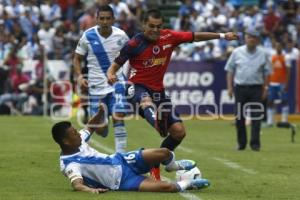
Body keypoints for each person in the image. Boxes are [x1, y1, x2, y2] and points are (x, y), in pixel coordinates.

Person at [107, 9, 239, 180]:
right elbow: (115, 65)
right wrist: (110, 74)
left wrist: (222, 36)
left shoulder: (169, 37)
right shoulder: (134, 44)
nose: (155, 30)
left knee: (178, 132)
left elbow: (195, 36)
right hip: (137, 87)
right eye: (151, 26)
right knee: (146, 102)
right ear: (143, 25)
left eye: (158, 26)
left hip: (159, 91)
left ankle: (157, 162)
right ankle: (158, 123)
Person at [51, 104, 210, 193]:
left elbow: (90, 126)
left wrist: (100, 112)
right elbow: (77, 184)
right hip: (122, 182)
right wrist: (90, 191)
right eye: (74, 134)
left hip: (123, 161)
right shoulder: (69, 164)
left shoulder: (78, 140)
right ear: (65, 142)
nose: (78, 134)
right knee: (167, 187)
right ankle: (190, 183)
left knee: (164, 153)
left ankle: (172, 166)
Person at [73, 5, 129, 153]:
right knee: (100, 129)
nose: (105, 21)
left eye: (108, 18)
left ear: (113, 19)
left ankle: (121, 157)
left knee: (118, 116)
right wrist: (79, 76)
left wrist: (127, 77)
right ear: (97, 19)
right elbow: (77, 58)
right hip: (96, 87)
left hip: (116, 84)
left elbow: (131, 55)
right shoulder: (88, 36)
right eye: (102, 18)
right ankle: (103, 124)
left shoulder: (121, 35)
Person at [225, 28, 272, 151]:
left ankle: (255, 144)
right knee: (239, 117)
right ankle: (241, 144)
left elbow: (267, 73)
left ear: (257, 40)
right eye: (249, 37)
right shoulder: (237, 52)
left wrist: (266, 89)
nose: (251, 39)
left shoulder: (264, 53)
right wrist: (229, 87)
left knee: (257, 117)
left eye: (254, 37)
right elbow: (230, 70)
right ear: (245, 39)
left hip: (257, 88)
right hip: (240, 88)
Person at [266, 42, 291, 126]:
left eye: (279, 46)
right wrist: (268, 83)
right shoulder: (272, 57)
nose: (277, 48)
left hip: (282, 83)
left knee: (284, 101)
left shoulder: (286, 57)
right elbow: (269, 71)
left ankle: (284, 120)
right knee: (270, 101)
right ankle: (270, 121)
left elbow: (288, 72)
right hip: (272, 83)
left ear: (282, 47)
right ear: (275, 47)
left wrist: (286, 83)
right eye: (276, 46)